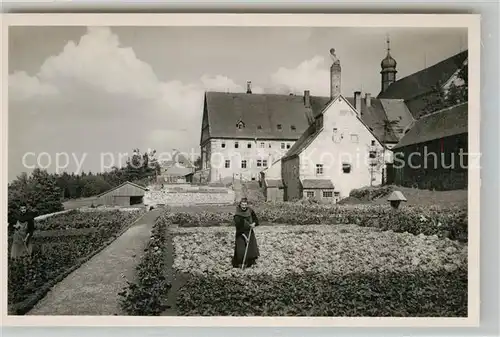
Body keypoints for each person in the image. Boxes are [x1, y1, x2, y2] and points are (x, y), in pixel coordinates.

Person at [232, 198, 260, 268]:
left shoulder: (250, 211)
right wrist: (245, 237)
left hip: (249, 232)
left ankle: (250, 262)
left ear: (247, 205)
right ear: (240, 205)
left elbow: (256, 220)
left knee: (251, 248)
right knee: (241, 249)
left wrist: (254, 223)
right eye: (242, 205)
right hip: (241, 234)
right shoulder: (237, 215)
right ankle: (240, 264)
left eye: (245, 205)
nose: (244, 206)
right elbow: (238, 228)